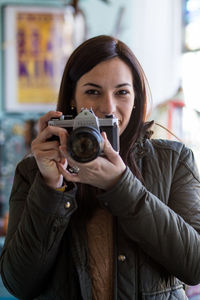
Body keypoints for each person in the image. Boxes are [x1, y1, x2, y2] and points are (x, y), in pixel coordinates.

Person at [0, 35, 200, 300]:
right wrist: (50, 187)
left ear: (136, 99)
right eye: (93, 92)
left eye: (122, 92)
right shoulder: (33, 171)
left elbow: (195, 266)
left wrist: (121, 185)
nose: (108, 107)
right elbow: (18, 283)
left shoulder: (173, 161)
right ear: (72, 98)